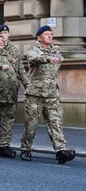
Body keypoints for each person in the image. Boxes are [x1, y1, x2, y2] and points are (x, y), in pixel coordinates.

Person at [20, 25, 75, 164]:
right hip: (35, 95)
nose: (50, 36)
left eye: (51, 34)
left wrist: (55, 55)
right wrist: (48, 58)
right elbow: (34, 58)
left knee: (55, 123)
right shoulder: (34, 50)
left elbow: (60, 58)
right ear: (39, 37)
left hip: (51, 95)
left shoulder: (55, 51)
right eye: (46, 34)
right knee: (31, 124)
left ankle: (60, 151)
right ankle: (26, 149)